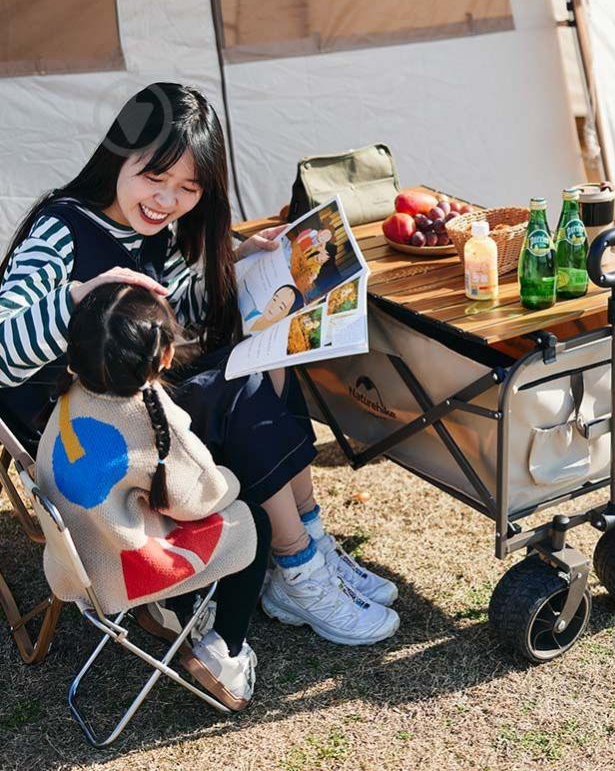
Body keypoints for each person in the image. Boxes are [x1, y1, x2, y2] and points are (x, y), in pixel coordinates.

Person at [0, 82, 399, 649]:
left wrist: (237, 262)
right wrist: (77, 297)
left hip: (133, 402)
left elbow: (175, 321)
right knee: (238, 389)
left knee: (264, 362)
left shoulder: (155, 234)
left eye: (188, 188)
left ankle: (308, 545)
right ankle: (298, 566)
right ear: (118, 157)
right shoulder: (61, 228)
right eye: (154, 178)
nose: (166, 201)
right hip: (77, 434)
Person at [36, 283, 270, 710]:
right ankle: (225, 653)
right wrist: (233, 481)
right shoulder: (148, 416)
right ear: (163, 357)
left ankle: (179, 608)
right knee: (252, 520)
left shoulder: (69, 391)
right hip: (123, 567)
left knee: (162, 510)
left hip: (80, 561)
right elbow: (199, 497)